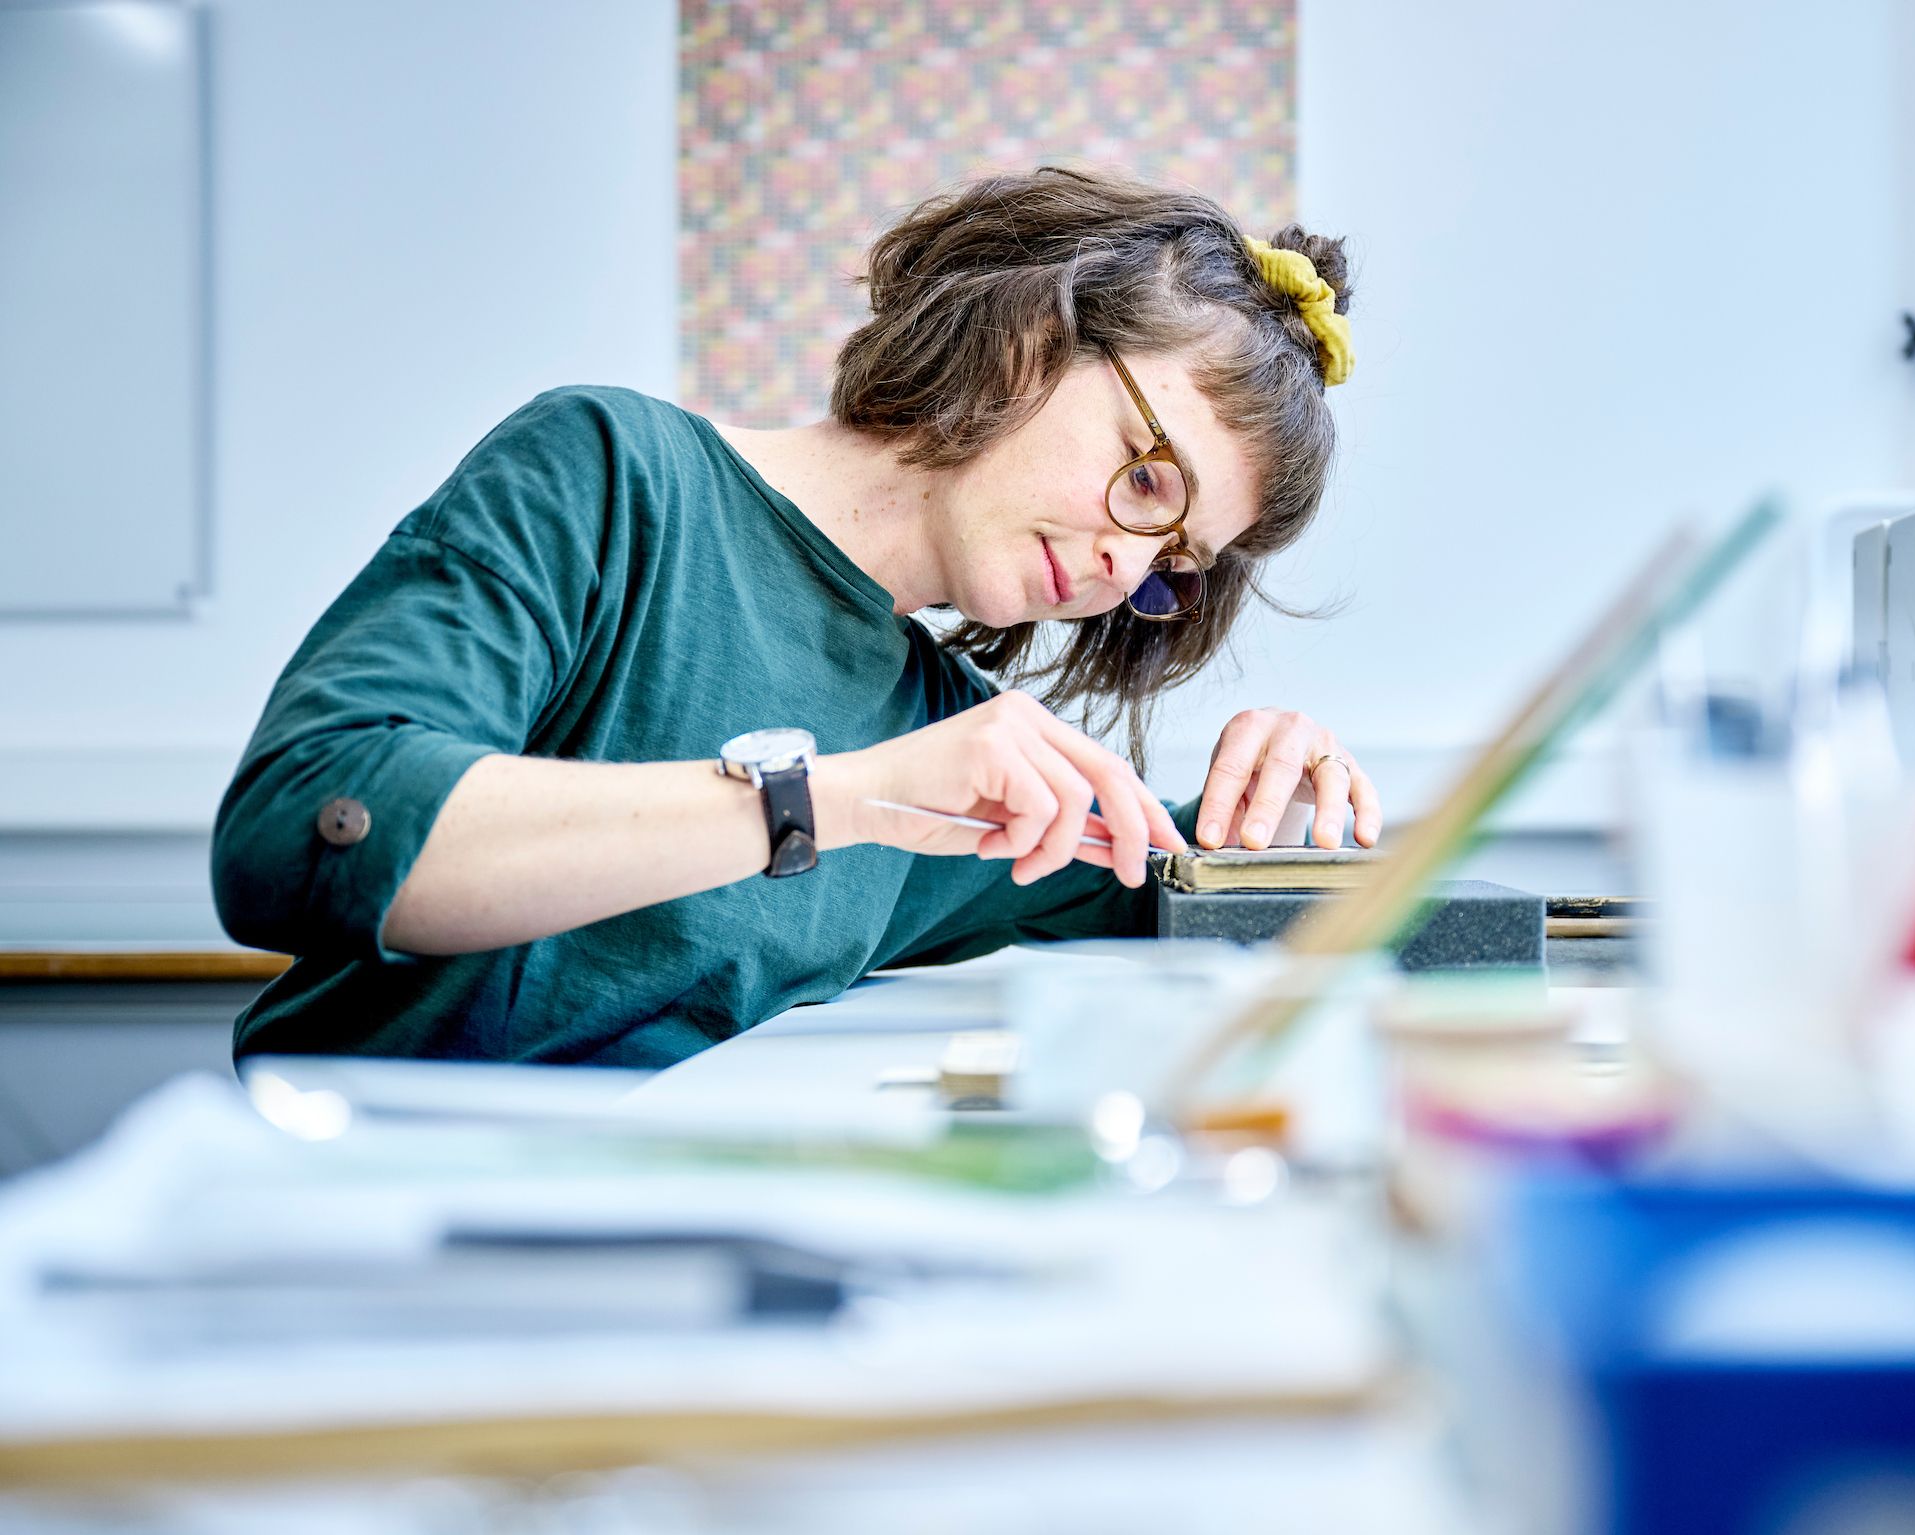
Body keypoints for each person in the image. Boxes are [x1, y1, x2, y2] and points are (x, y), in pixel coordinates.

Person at [211, 167, 1380, 1067]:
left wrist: (1275, 810)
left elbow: (1169, 887)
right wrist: (836, 797)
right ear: (1035, 338)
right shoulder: (615, 476)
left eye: (1175, 561)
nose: (1130, 572)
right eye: (1146, 481)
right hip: (359, 1216)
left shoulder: (938, 739)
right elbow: (304, 829)